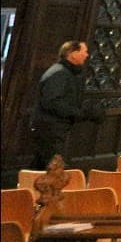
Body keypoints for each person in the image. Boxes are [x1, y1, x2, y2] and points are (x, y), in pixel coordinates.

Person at [32, 40, 94, 169]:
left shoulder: (64, 72)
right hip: (50, 130)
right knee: (52, 171)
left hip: (53, 129)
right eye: (84, 51)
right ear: (72, 53)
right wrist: (81, 113)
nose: (87, 55)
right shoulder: (60, 73)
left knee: (42, 167)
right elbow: (52, 102)